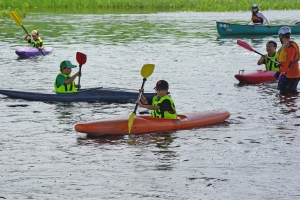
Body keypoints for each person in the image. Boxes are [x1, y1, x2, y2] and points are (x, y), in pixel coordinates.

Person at [274, 26, 300, 94]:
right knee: (280, 92)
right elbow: (284, 63)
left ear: (281, 35)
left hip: (293, 76)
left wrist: (284, 72)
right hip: (285, 74)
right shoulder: (284, 46)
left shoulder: (291, 47)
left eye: (279, 36)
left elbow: (290, 61)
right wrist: (279, 72)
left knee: (290, 94)